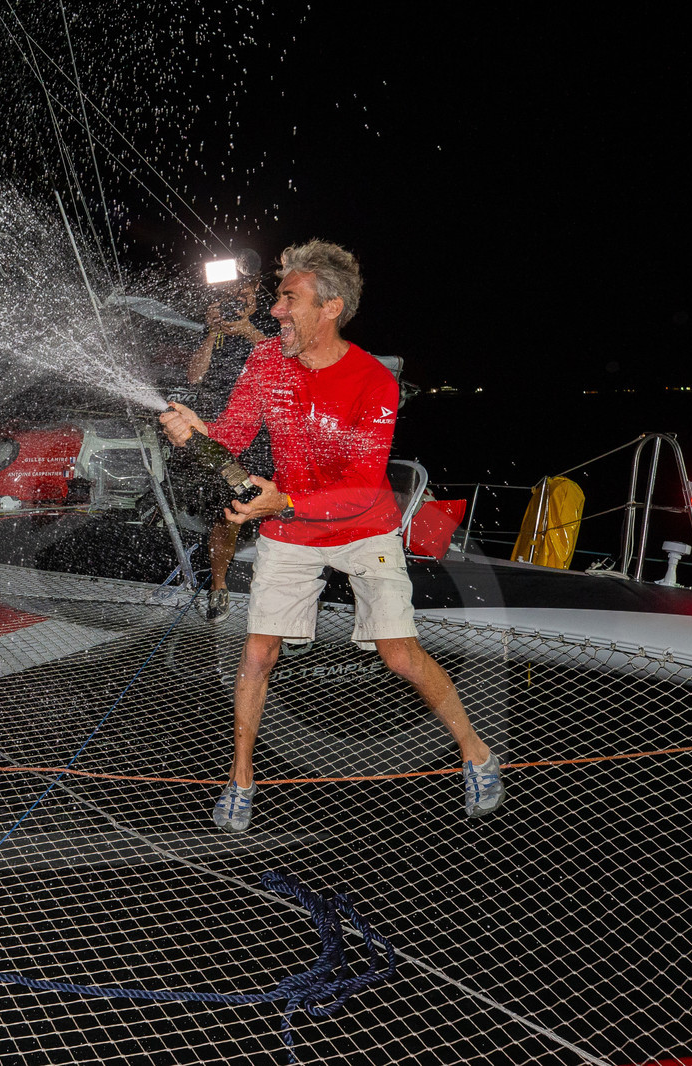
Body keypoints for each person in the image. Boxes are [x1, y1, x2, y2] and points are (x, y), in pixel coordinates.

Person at [159, 240, 504, 833]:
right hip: (291, 526)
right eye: (276, 298)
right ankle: (240, 779)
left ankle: (476, 753)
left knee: (400, 655)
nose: (275, 311)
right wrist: (196, 432)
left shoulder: (373, 381)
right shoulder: (266, 361)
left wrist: (285, 500)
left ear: (330, 307)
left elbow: (363, 486)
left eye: (288, 299)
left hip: (363, 526)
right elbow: (232, 436)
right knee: (257, 652)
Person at [164, 274, 277, 622]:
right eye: (229, 289)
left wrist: (250, 332)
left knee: (268, 505)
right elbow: (194, 377)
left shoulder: (275, 318)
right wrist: (213, 332)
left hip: (260, 432)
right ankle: (219, 586)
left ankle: (282, 592)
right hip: (215, 431)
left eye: (242, 288)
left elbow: (287, 366)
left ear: (256, 285)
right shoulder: (215, 323)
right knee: (225, 511)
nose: (235, 296)